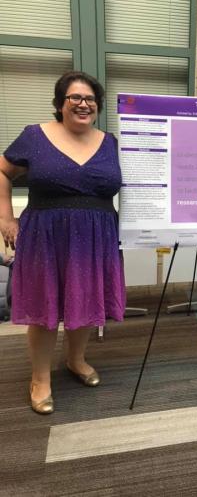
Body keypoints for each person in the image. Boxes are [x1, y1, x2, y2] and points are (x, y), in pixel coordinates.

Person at [0, 71, 126, 414]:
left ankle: (75, 360)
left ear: (97, 105)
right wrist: (6, 218)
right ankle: (40, 379)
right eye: (75, 98)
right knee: (44, 309)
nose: (83, 104)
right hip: (45, 235)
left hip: (96, 236)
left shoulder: (111, 143)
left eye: (90, 99)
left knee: (84, 300)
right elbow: (3, 171)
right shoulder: (34, 136)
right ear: (60, 103)